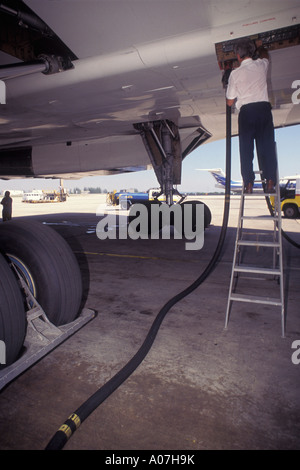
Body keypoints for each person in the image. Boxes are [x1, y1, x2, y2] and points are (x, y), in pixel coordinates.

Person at [226, 37, 277, 193]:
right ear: (253, 52)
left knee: (246, 149)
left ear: (238, 56)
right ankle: (270, 182)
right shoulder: (261, 65)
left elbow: (229, 102)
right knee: (267, 146)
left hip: (247, 113)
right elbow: (265, 55)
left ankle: (248, 184)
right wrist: (260, 47)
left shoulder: (235, 74)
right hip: (263, 110)